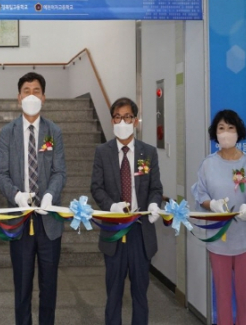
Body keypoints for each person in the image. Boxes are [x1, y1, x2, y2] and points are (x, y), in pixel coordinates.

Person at [0, 72, 66, 325]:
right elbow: (1, 173)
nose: (31, 96)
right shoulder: (8, 132)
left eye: (37, 91)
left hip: (49, 222)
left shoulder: (53, 131)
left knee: (49, 288)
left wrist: (49, 195)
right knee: (22, 287)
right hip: (20, 221)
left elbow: (59, 171)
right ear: (18, 97)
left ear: (44, 97)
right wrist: (16, 195)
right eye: (26, 91)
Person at [90, 97, 163, 325]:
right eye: (118, 117)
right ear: (112, 121)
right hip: (114, 231)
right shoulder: (102, 152)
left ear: (136, 121)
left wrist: (154, 204)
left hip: (141, 232)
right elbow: (96, 187)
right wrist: (111, 206)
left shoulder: (148, 152)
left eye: (127, 117)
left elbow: (155, 188)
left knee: (140, 293)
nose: (122, 122)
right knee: (113, 293)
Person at [191, 109, 246, 325]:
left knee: (245, 295)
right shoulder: (208, 164)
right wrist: (212, 204)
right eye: (221, 128)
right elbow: (200, 194)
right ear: (215, 134)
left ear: (238, 132)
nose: (226, 132)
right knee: (222, 295)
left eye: (230, 128)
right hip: (218, 241)